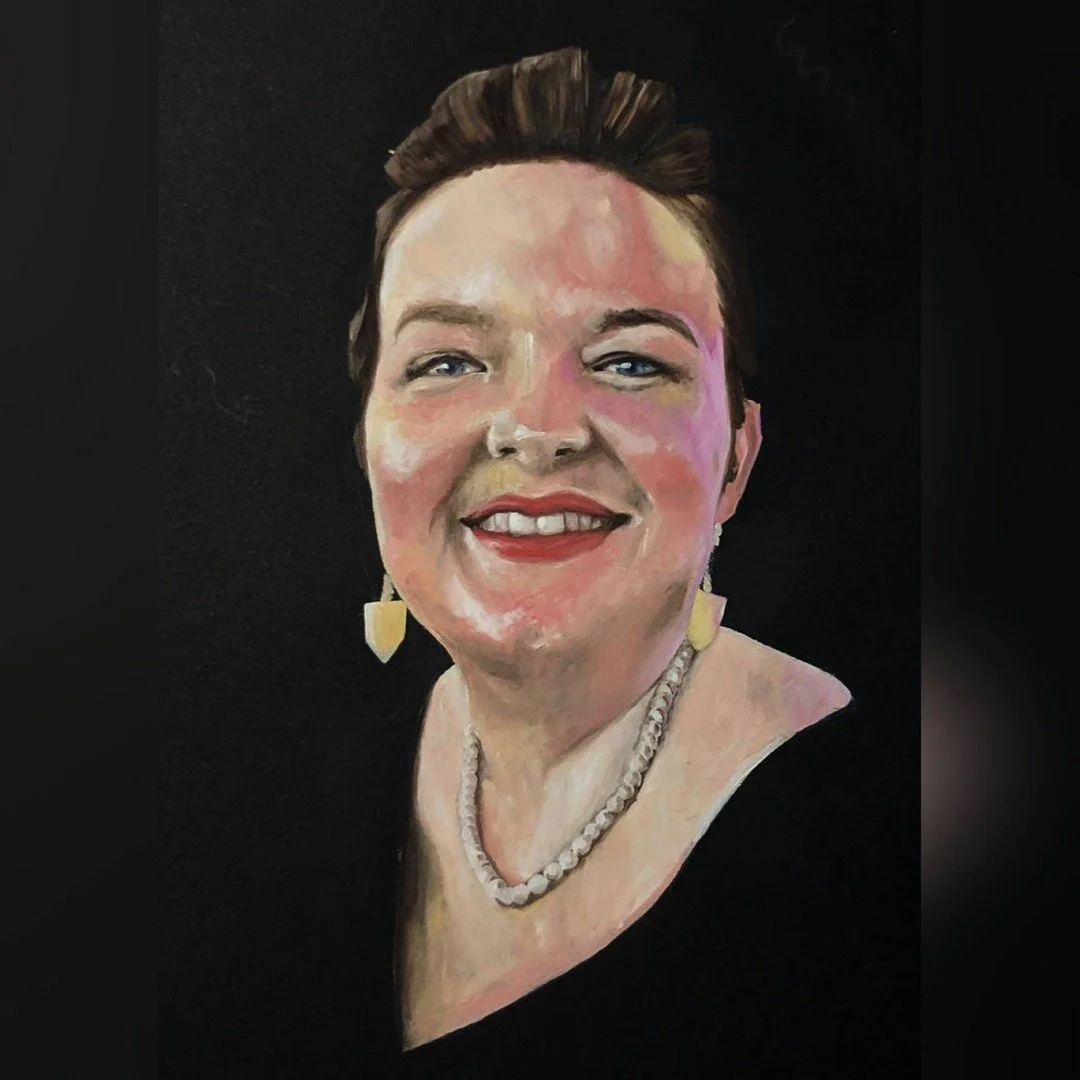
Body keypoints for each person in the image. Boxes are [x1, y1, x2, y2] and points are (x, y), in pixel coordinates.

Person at [344, 47, 912, 1076]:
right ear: (369, 444)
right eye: (448, 360)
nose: (536, 429)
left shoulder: (890, 838)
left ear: (735, 459)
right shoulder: (285, 795)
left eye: (628, 362)